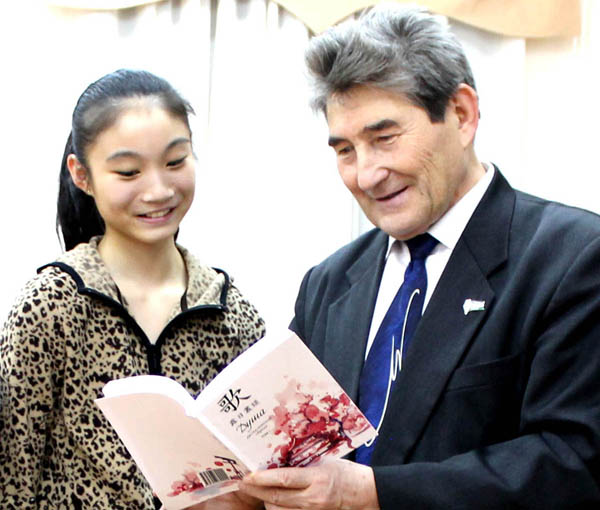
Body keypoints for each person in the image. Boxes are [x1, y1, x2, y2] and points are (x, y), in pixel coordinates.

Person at [235, 5, 600, 509]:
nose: (366, 174)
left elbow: (574, 462)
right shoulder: (330, 282)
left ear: (462, 114)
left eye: (384, 138)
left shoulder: (572, 258)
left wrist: (372, 494)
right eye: (345, 150)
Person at [0, 69, 265, 509]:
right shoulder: (50, 305)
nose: (158, 190)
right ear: (81, 175)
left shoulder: (231, 312)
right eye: (128, 171)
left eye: (175, 162)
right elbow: (12, 480)